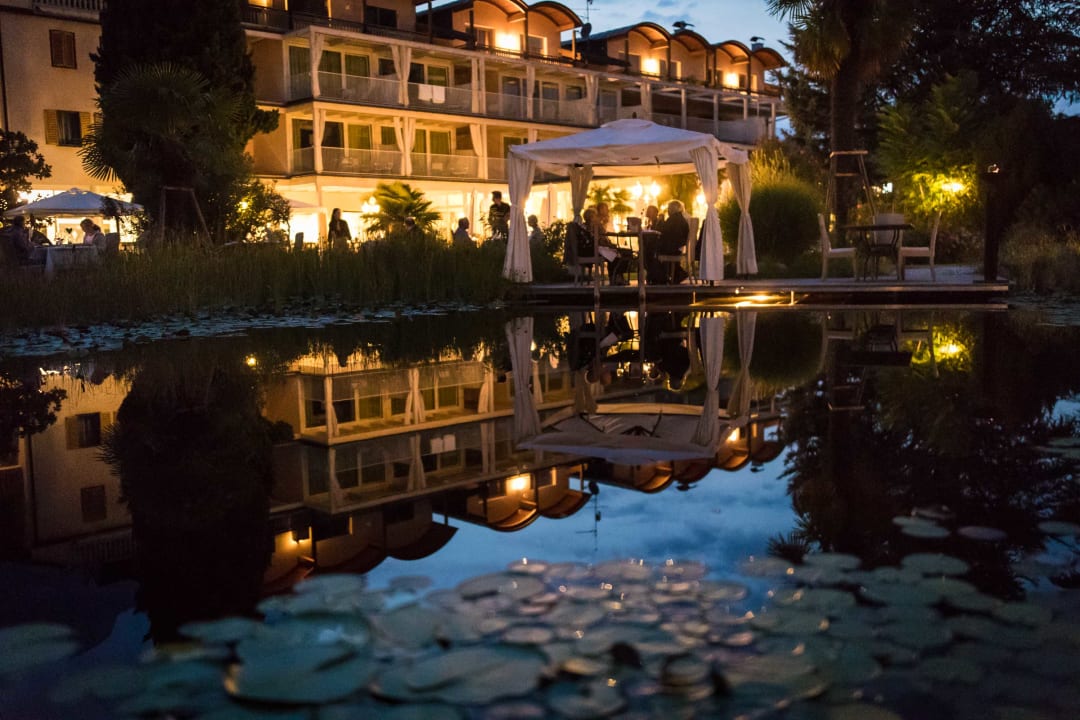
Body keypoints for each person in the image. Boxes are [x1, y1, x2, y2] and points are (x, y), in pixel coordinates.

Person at [646, 200, 690, 284]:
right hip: (676, 247)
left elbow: (662, 231)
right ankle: (668, 275)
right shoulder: (679, 219)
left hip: (671, 248)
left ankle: (658, 277)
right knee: (651, 248)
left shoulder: (674, 219)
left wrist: (660, 222)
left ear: (674, 209)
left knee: (649, 250)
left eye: (669, 209)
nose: (668, 211)